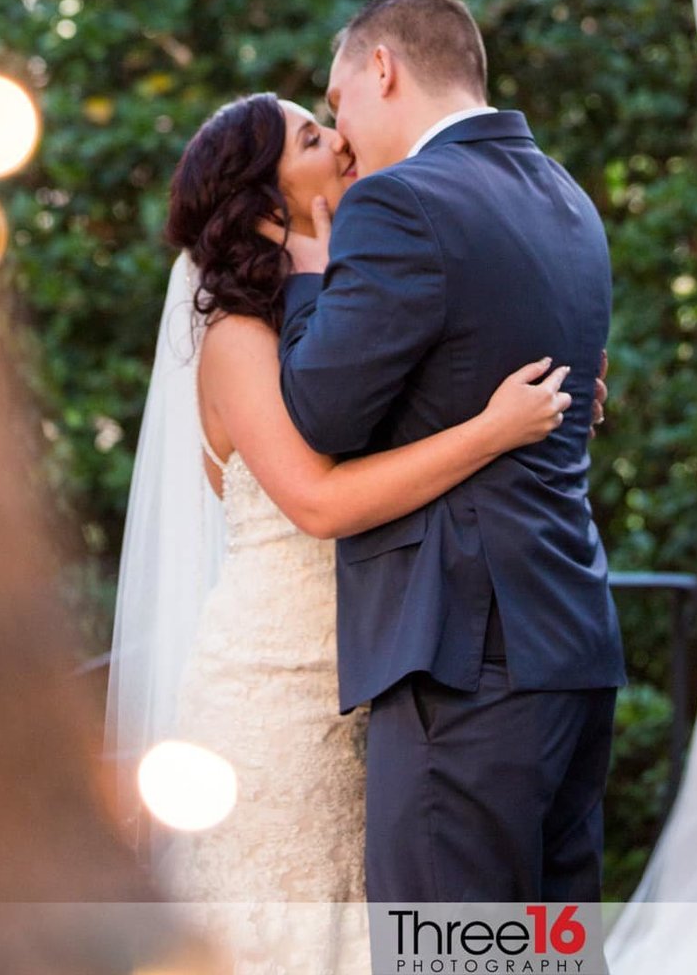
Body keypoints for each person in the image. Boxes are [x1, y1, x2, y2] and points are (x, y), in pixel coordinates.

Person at [105, 91, 584, 975]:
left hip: (387, 684)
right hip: (275, 699)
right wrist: (492, 429)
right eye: (313, 136)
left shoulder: (358, 312)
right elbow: (318, 503)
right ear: (261, 201)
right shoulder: (236, 338)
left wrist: (552, 401)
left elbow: (417, 427)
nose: (342, 140)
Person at [280, 0, 625, 906]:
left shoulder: (401, 204)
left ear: (383, 69)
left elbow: (319, 411)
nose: (339, 131)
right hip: (571, 639)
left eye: (336, 99)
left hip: (463, 659)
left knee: (446, 955)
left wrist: (309, 280)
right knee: (546, 955)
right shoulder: (567, 199)